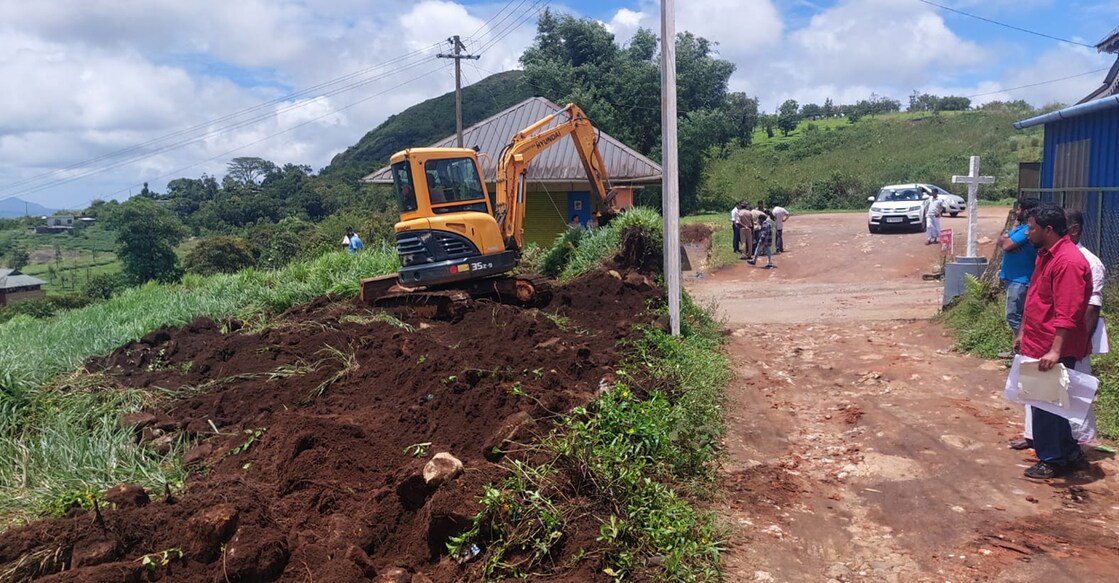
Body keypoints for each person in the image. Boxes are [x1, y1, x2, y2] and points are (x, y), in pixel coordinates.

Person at [1013, 202, 1092, 480]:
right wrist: (1023, 331)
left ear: (1048, 230)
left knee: (1045, 405)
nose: (1027, 233)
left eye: (1031, 228)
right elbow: (1037, 297)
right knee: (1053, 403)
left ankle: (1051, 459)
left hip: (1051, 346)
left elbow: (1067, 312)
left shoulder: (1067, 262)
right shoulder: (1046, 255)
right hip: (1038, 342)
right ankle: (1069, 452)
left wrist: (1056, 350)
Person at [999, 199, 1041, 348]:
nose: (1016, 212)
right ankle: (1020, 347)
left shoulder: (1026, 231)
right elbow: (1001, 240)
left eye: (1019, 209)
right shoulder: (1022, 228)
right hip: (1014, 279)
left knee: (1013, 316)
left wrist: (1008, 241)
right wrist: (1007, 241)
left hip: (1021, 280)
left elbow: (1006, 244)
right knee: (1019, 316)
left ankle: (1025, 346)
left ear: (1026, 211)